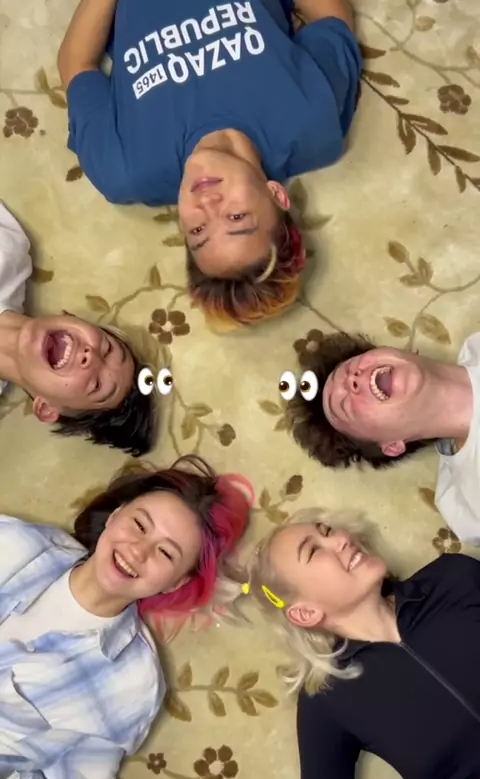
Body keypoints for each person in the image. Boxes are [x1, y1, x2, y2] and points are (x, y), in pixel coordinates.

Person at [58, 0, 362, 331]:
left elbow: (77, 66)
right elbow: (332, 19)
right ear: (276, 195)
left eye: (198, 231)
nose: (207, 204)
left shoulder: (125, 170)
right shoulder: (311, 121)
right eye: (236, 217)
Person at [0, 454, 251, 779]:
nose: (139, 550)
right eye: (139, 525)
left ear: (175, 584)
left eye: (166, 553)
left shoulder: (132, 685)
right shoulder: (13, 543)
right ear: (116, 515)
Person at [222, 507, 480, 779]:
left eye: (328, 531)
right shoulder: (326, 699)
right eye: (314, 551)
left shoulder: (453, 578)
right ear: (306, 612)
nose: (342, 539)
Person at [284, 330, 480, 545]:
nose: (352, 379)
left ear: (405, 352)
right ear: (392, 446)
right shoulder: (469, 499)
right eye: (344, 406)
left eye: (350, 367)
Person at [0, 200, 159, 456]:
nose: (90, 357)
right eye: (106, 349)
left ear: (46, 409)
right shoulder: (8, 251)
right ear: (72, 318)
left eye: (96, 385)